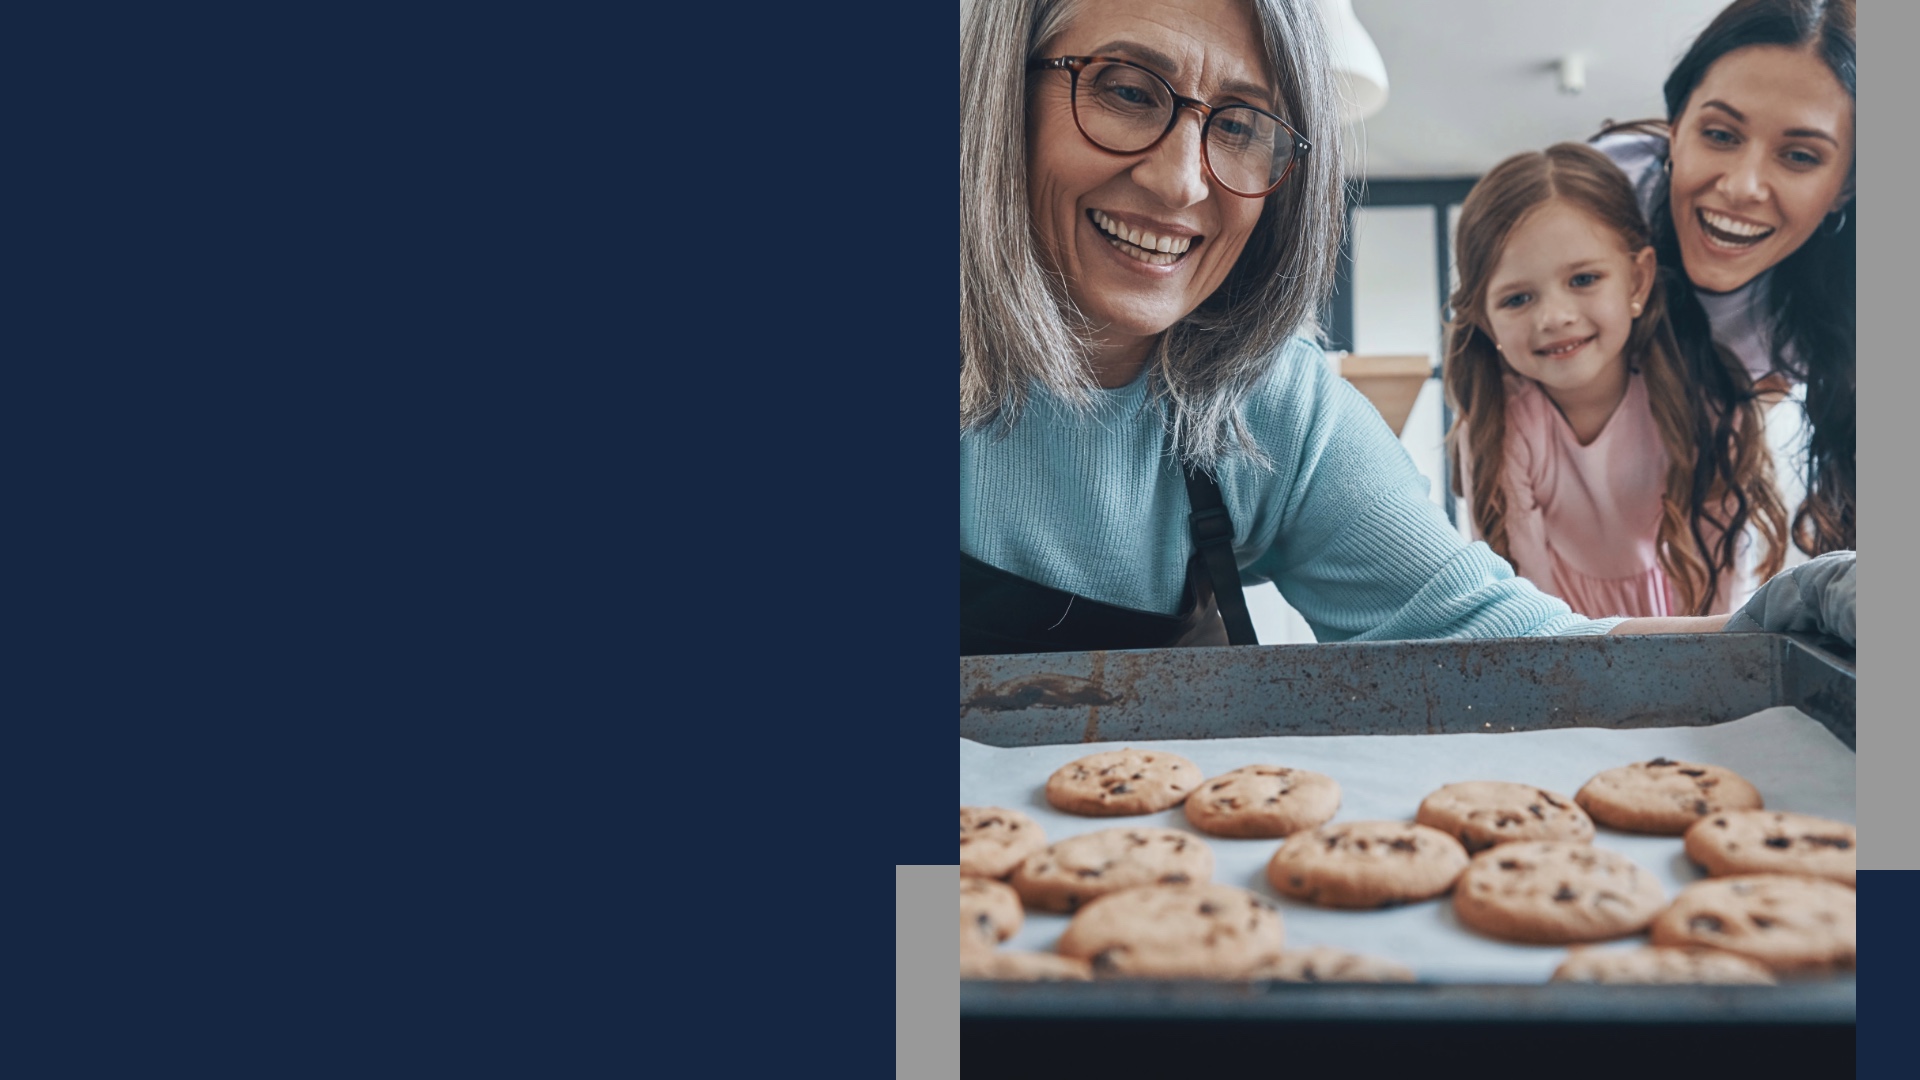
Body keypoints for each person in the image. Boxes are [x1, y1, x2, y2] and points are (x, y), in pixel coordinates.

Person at [957, 0, 1853, 656]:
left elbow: (1497, 640)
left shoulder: (1271, 406)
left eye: (1239, 124)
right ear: (1000, 85)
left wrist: (1768, 632)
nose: (1182, 182)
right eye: (1124, 90)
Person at [1443, 143, 1787, 620]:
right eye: (1518, 298)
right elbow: (1528, 617)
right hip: (1561, 654)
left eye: (1583, 279)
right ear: (1484, 319)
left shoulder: (1703, 406)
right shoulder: (1496, 429)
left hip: (1691, 645)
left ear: (1637, 281)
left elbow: (1723, 603)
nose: (1554, 317)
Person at [1591, 0, 1854, 557]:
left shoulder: (1847, 308)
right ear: (1676, 126)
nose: (1742, 186)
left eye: (1800, 156)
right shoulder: (1599, 198)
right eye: (1721, 135)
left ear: (1846, 189)